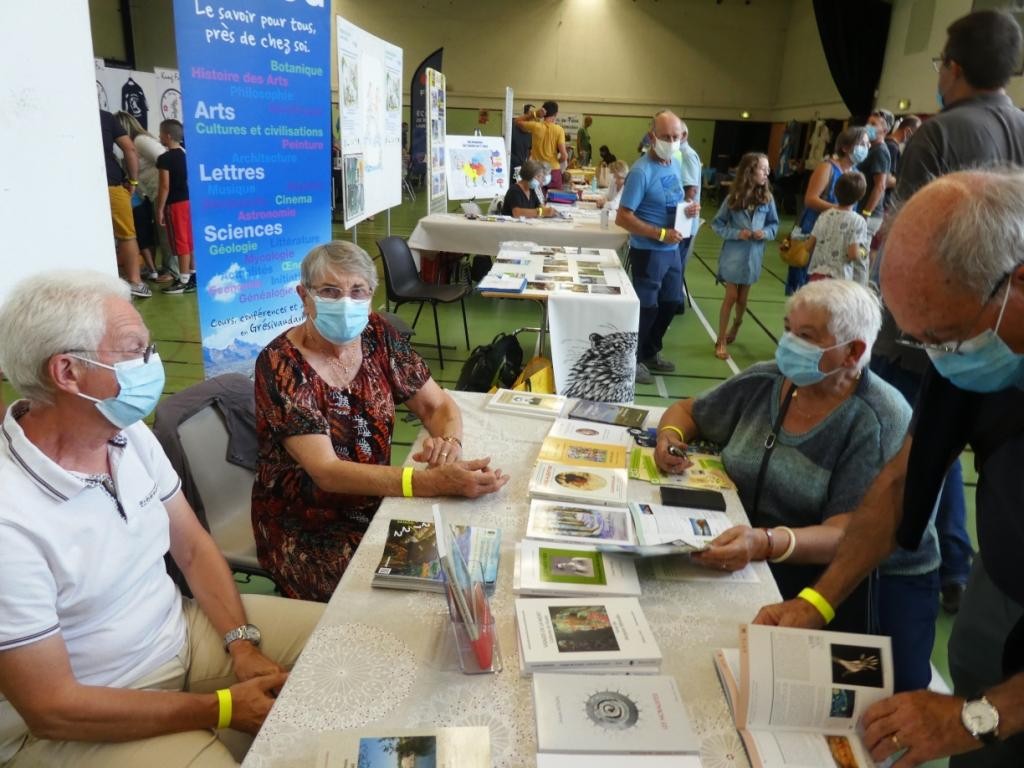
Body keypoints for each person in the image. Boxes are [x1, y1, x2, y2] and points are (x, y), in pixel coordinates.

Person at [756, 169, 1024, 767]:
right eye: (922, 339)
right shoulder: (968, 346)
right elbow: (903, 482)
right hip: (1002, 593)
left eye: (947, 337)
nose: (940, 357)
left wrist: (975, 717)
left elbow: (978, 719)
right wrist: (818, 603)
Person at [0, 271, 322, 767]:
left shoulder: (125, 433)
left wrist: (240, 642)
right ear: (67, 372)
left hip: (179, 634)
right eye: (134, 350)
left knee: (344, 641)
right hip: (87, 712)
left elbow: (191, 547)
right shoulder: (10, 519)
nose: (151, 365)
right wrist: (221, 709)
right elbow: (51, 708)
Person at [655, 279, 939, 692]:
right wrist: (671, 439)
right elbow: (688, 411)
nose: (787, 343)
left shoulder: (877, 419)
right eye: (788, 328)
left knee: (853, 700)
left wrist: (765, 542)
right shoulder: (767, 381)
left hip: (869, 583)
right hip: (775, 554)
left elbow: (850, 536)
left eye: (805, 336)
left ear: (854, 351)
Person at [871, 8, 1024, 619]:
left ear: (952, 68)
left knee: (913, 452)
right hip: (999, 326)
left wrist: (917, 333)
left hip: (945, 331)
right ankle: (958, 566)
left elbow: (909, 242)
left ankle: (912, 558)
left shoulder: (940, 133)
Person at [252, 241, 510, 602]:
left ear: (371, 295)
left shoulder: (375, 333)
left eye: (358, 291)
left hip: (378, 500)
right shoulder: (281, 365)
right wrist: (429, 482)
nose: (346, 302)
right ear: (304, 296)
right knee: (400, 599)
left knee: (472, 568)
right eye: (330, 291)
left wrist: (448, 446)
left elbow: (437, 406)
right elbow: (327, 472)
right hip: (309, 529)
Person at [615, 110, 699, 385]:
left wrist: (688, 208)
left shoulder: (673, 164)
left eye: (676, 137)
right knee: (646, 308)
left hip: (671, 250)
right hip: (649, 251)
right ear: (652, 136)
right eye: (666, 136)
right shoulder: (641, 171)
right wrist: (660, 233)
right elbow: (623, 216)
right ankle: (633, 360)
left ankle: (651, 351)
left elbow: (672, 199)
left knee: (671, 302)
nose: (672, 141)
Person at [711, 152, 779, 359]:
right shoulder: (733, 198)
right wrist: (737, 234)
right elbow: (717, 224)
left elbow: (774, 225)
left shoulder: (767, 198)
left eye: (768, 169)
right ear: (750, 171)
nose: (767, 172)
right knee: (731, 296)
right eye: (763, 168)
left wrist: (765, 233)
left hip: (753, 257)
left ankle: (736, 325)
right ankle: (721, 339)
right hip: (733, 256)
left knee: (742, 298)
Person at [785, 126, 868, 295]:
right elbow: (810, 199)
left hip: (840, 239)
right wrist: (840, 211)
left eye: (867, 144)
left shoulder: (856, 174)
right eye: (862, 144)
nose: (866, 148)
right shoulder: (827, 168)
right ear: (845, 147)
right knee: (806, 285)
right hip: (817, 228)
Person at [98, 109, 150, 298]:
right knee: (127, 235)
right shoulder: (105, 116)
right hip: (112, 183)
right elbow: (129, 148)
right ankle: (135, 281)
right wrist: (133, 181)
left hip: (80, 187)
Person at [115, 112, 167, 283]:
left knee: (160, 233)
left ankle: (171, 272)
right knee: (157, 233)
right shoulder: (136, 143)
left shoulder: (139, 141)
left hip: (159, 191)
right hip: (151, 193)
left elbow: (164, 159)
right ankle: (165, 270)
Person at [805, 171, 870, 285]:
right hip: (839, 280)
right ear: (860, 196)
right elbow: (853, 254)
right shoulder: (858, 221)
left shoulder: (824, 215)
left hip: (816, 277)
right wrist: (864, 252)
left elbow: (809, 245)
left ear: (835, 192)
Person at [155, 119, 196, 295]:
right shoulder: (187, 155)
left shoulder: (164, 159)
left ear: (167, 136)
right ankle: (193, 275)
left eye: (160, 133)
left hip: (175, 204)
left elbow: (165, 186)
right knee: (189, 240)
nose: (159, 136)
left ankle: (184, 279)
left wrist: (159, 208)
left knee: (180, 242)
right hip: (188, 202)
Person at [515, 101, 568, 190]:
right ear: (556, 114)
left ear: (543, 113)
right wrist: (557, 161)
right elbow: (564, 155)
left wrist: (535, 114)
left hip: (537, 172)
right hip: (553, 170)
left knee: (537, 201)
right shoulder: (559, 130)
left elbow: (517, 121)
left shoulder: (536, 126)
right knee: (555, 202)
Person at [857, 111, 891, 242]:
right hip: (862, 211)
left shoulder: (880, 151)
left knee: (858, 255)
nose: (868, 127)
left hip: (869, 214)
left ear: (885, 130)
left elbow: (880, 186)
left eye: (873, 124)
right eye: (867, 123)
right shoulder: (870, 148)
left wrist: (866, 213)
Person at [884, 114, 921, 210]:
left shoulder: (888, 144)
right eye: (915, 134)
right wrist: (906, 181)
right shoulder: (892, 148)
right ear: (908, 131)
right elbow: (886, 180)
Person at [510, 103, 535, 174]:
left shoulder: (531, 131)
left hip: (523, 166)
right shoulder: (513, 125)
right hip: (510, 164)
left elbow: (531, 151)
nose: (533, 118)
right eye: (532, 114)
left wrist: (528, 164)